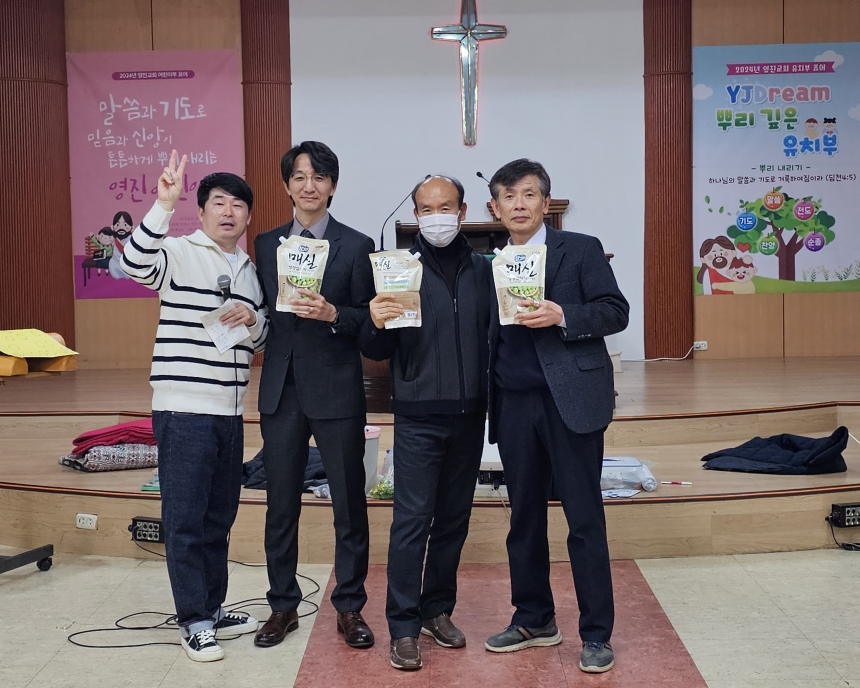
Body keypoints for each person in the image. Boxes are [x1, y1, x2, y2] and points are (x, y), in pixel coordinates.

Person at [482, 159, 629, 674]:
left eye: (528, 195)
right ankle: (534, 619)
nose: (519, 205)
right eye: (508, 197)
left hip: (572, 401)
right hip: (514, 404)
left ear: (546, 202)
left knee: (583, 518)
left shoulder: (580, 249)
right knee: (523, 518)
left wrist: (563, 314)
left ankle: (596, 633)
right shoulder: (490, 263)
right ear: (494, 208)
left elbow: (615, 310)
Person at [121, 151, 269, 662]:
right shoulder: (179, 252)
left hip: (230, 411)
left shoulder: (249, 270)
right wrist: (163, 205)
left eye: (238, 205)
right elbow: (135, 264)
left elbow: (262, 336)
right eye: (218, 203)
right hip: (183, 409)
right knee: (184, 520)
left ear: (248, 216)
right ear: (201, 211)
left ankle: (213, 605)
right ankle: (194, 621)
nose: (228, 212)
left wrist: (251, 318)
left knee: (218, 517)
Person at [360, 175, 492, 671]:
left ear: (462, 212)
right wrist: (375, 319)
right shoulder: (399, 270)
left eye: (446, 207)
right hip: (417, 416)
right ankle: (403, 627)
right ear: (416, 216)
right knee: (411, 523)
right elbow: (376, 349)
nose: (437, 217)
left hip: (469, 414)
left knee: (454, 520)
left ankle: (437, 609)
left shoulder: (485, 271)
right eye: (427, 209)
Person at [253, 141, 376, 650]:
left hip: (337, 389)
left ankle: (349, 606)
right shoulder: (266, 243)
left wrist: (334, 314)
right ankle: (283, 605)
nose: (309, 186)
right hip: (281, 391)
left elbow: (370, 319)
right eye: (300, 177)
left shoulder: (358, 244)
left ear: (333, 186)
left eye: (319, 177)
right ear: (286, 185)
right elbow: (260, 309)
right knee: (280, 504)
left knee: (349, 504)